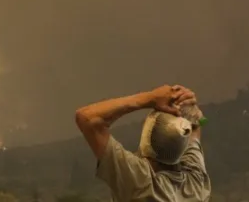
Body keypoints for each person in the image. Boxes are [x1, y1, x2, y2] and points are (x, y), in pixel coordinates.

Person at [75, 85, 211, 202]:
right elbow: (196, 127)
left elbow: (86, 117)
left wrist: (150, 98)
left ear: (147, 137)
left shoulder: (139, 183)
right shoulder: (196, 185)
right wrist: (188, 106)